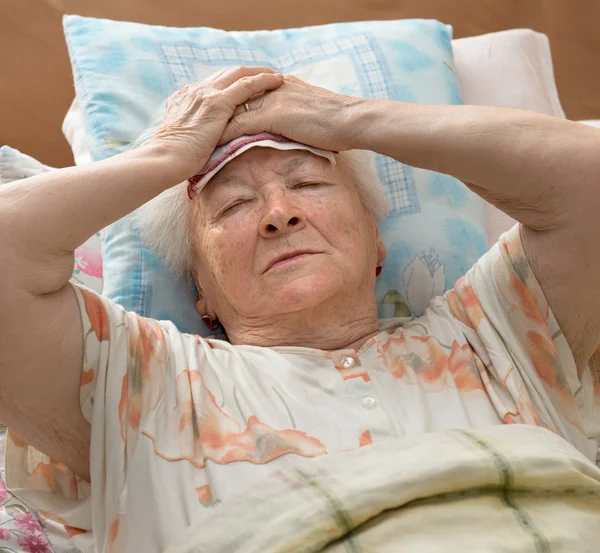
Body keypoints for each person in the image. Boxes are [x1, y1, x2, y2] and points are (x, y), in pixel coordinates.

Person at [0, 65, 598, 553]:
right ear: (200, 291)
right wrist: (169, 156)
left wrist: (347, 119)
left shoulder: (496, 334)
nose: (278, 213)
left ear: (376, 239)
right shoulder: (142, 381)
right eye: (233, 205)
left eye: (310, 184)